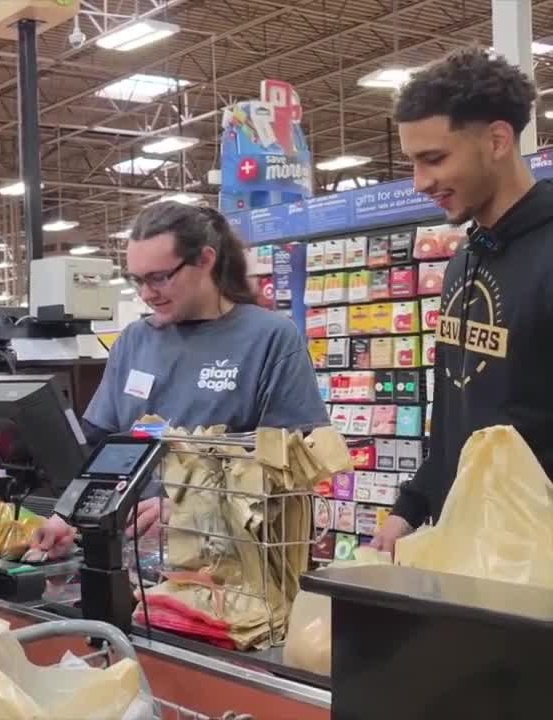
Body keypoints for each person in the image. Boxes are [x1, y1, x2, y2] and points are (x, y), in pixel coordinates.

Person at [32, 201, 330, 557]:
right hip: (138, 558)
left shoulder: (270, 338)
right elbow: (104, 447)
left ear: (206, 260)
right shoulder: (133, 341)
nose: (146, 294)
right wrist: (69, 514)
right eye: (137, 280)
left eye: (159, 277)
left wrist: (195, 509)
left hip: (235, 564)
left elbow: (291, 468)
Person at [373, 48, 553, 552]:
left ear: (498, 140)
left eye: (435, 158)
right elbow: (457, 410)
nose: (420, 182)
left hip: (534, 567)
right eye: (413, 161)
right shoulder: (464, 258)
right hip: (468, 554)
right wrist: (409, 508)